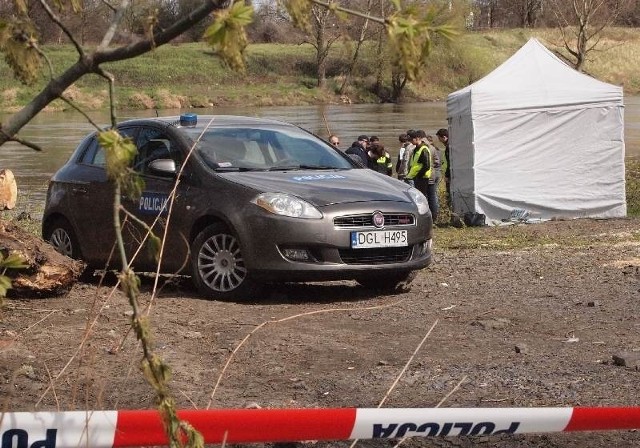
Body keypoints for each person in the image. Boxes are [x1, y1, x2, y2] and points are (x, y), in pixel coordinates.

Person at [405, 130, 437, 221]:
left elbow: (426, 165)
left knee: (424, 198)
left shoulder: (424, 149)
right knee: (423, 198)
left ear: (417, 138)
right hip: (417, 177)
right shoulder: (416, 148)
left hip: (423, 177)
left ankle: (430, 218)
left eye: (412, 139)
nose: (411, 141)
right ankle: (425, 218)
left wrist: (419, 175)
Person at [435, 128, 450, 207]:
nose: (439, 140)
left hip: (449, 174)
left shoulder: (448, 147)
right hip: (448, 172)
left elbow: (450, 162)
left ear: (444, 137)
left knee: (449, 191)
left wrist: (447, 175)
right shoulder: (449, 145)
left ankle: (449, 206)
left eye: (439, 138)